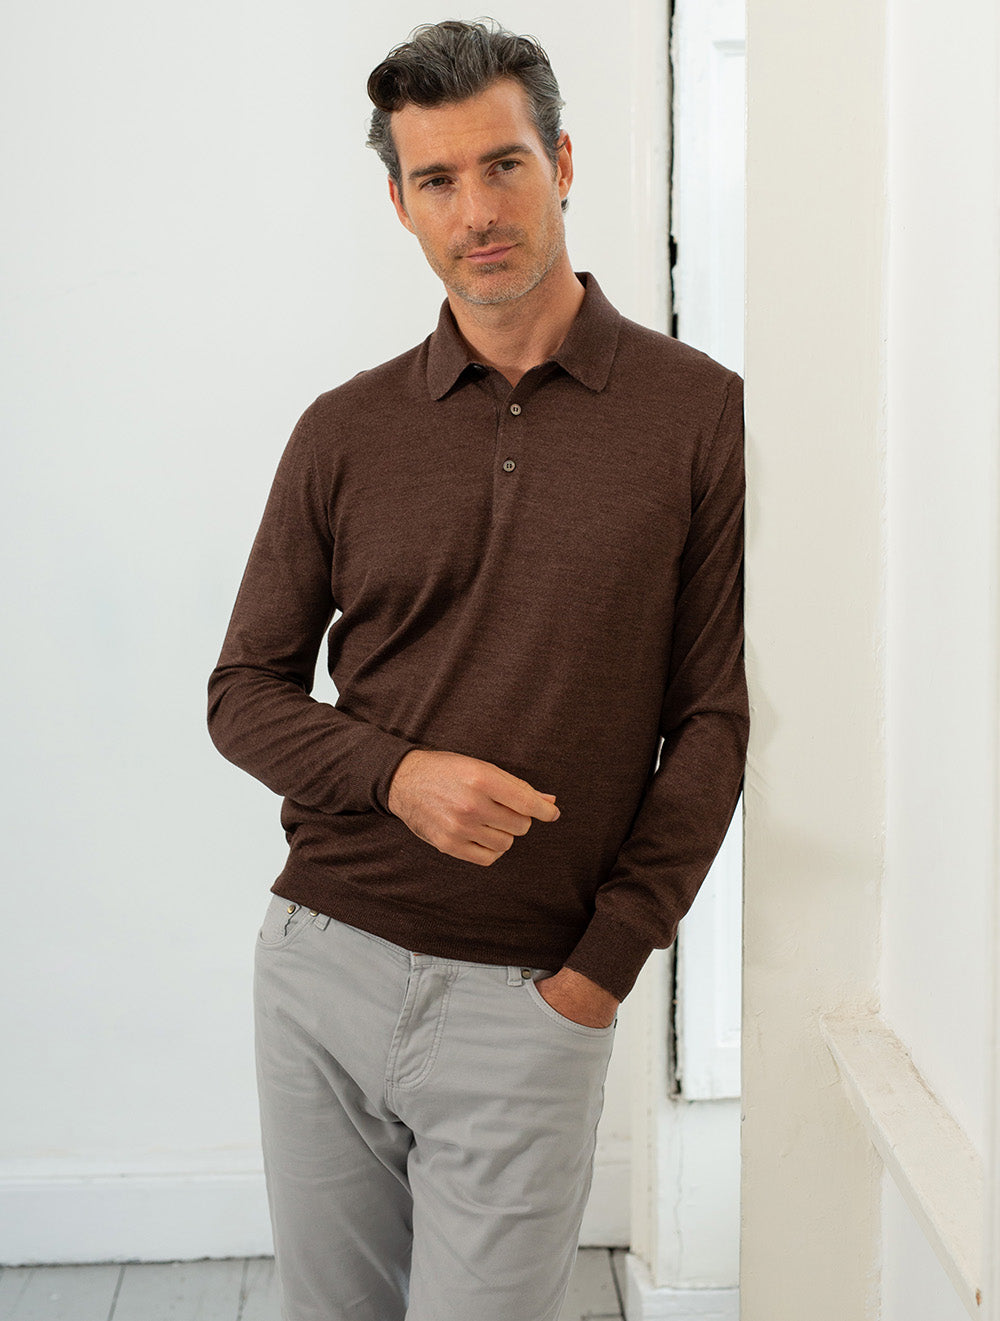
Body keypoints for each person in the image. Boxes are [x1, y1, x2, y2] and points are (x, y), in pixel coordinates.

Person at [207, 18, 748, 1321]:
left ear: (560, 162)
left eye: (502, 165)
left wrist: (598, 972)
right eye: (437, 180)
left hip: (532, 990)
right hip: (323, 962)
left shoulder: (698, 412)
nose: (477, 211)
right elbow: (243, 693)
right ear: (400, 204)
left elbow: (713, 720)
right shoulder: (343, 430)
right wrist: (398, 778)